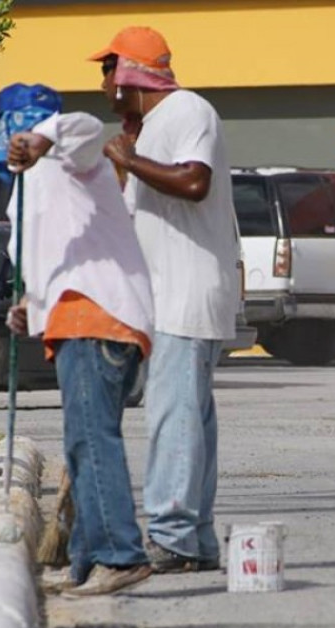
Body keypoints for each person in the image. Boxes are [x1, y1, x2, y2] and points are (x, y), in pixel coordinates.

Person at [90, 26, 241, 572]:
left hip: (188, 292)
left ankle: (173, 534)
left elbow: (194, 182)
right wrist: (125, 153)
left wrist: (129, 159)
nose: (102, 84)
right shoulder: (148, 127)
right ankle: (195, 539)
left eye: (107, 71)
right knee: (191, 418)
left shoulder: (188, 111)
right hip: (166, 298)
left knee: (173, 418)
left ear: (128, 73)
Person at [0, 93, 158, 596]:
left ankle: (121, 556)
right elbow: (49, 261)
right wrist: (30, 304)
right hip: (70, 320)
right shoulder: (28, 190)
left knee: (92, 440)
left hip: (99, 316)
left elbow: (86, 126)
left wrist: (43, 137)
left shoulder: (69, 162)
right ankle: (86, 560)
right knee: (81, 444)